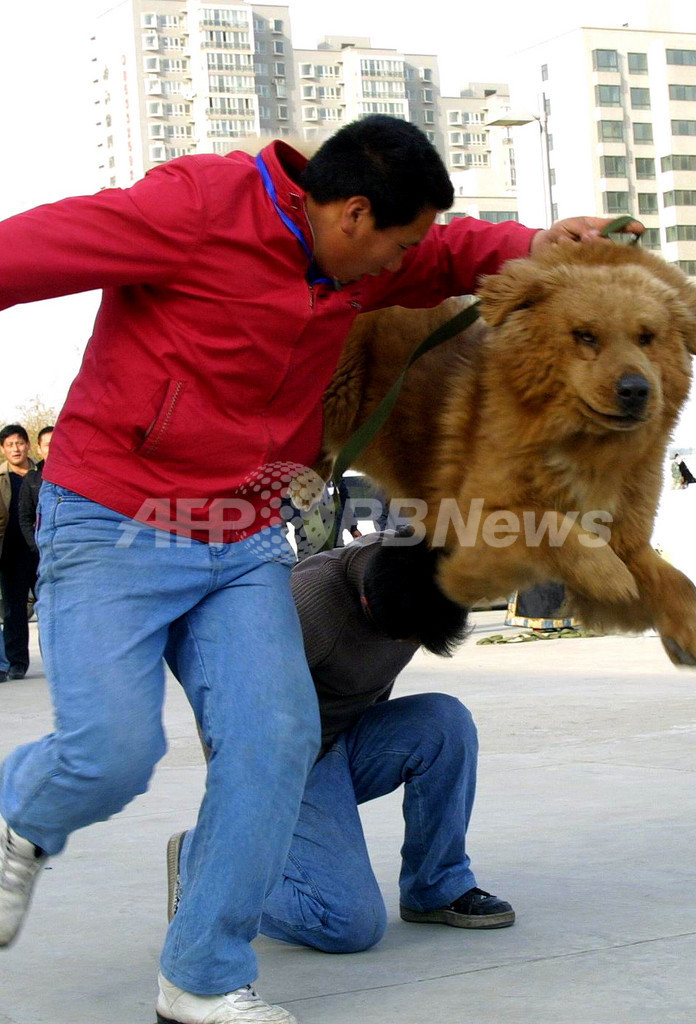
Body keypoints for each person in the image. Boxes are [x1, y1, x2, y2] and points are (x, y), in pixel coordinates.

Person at [0, 113, 631, 1024]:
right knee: (113, 755)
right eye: (397, 244)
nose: (402, 266)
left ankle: (203, 977)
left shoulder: (354, 250)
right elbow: (28, 252)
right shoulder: (196, 207)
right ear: (355, 215)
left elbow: (448, 255)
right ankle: (21, 822)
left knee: (276, 739)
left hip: (242, 536)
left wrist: (537, 240)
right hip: (117, 520)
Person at [168, 533, 514, 957]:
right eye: (409, 638)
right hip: (286, 765)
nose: (411, 646)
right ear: (369, 607)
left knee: (445, 721)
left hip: (346, 739)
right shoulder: (302, 612)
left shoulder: (416, 569)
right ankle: (200, 862)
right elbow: (229, 717)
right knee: (347, 923)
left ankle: (435, 887)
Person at [0, 425, 38, 682]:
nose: (15, 449)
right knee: (13, 609)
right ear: (3, 449)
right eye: (10, 445)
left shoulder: (44, 474)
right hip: (10, 553)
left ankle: (59, 658)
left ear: (27, 445)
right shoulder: (1, 477)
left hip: (41, 550)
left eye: (20, 443)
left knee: (51, 604)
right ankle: (17, 662)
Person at [18, 425, 54, 553]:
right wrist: (36, 546)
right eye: (48, 445)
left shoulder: (75, 477)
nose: (53, 448)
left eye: (56, 443)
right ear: (39, 449)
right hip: (43, 548)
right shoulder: (32, 479)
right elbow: (25, 518)